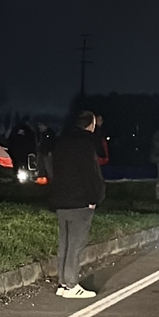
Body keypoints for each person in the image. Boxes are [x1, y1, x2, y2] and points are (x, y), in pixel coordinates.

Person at [50, 110, 105, 299]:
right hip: (80, 201)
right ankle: (71, 284)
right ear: (91, 125)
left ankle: (63, 283)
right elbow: (91, 172)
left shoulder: (61, 141)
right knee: (76, 244)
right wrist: (95, 197)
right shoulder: (87, 143)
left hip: (61, 200)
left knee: (64, 244)